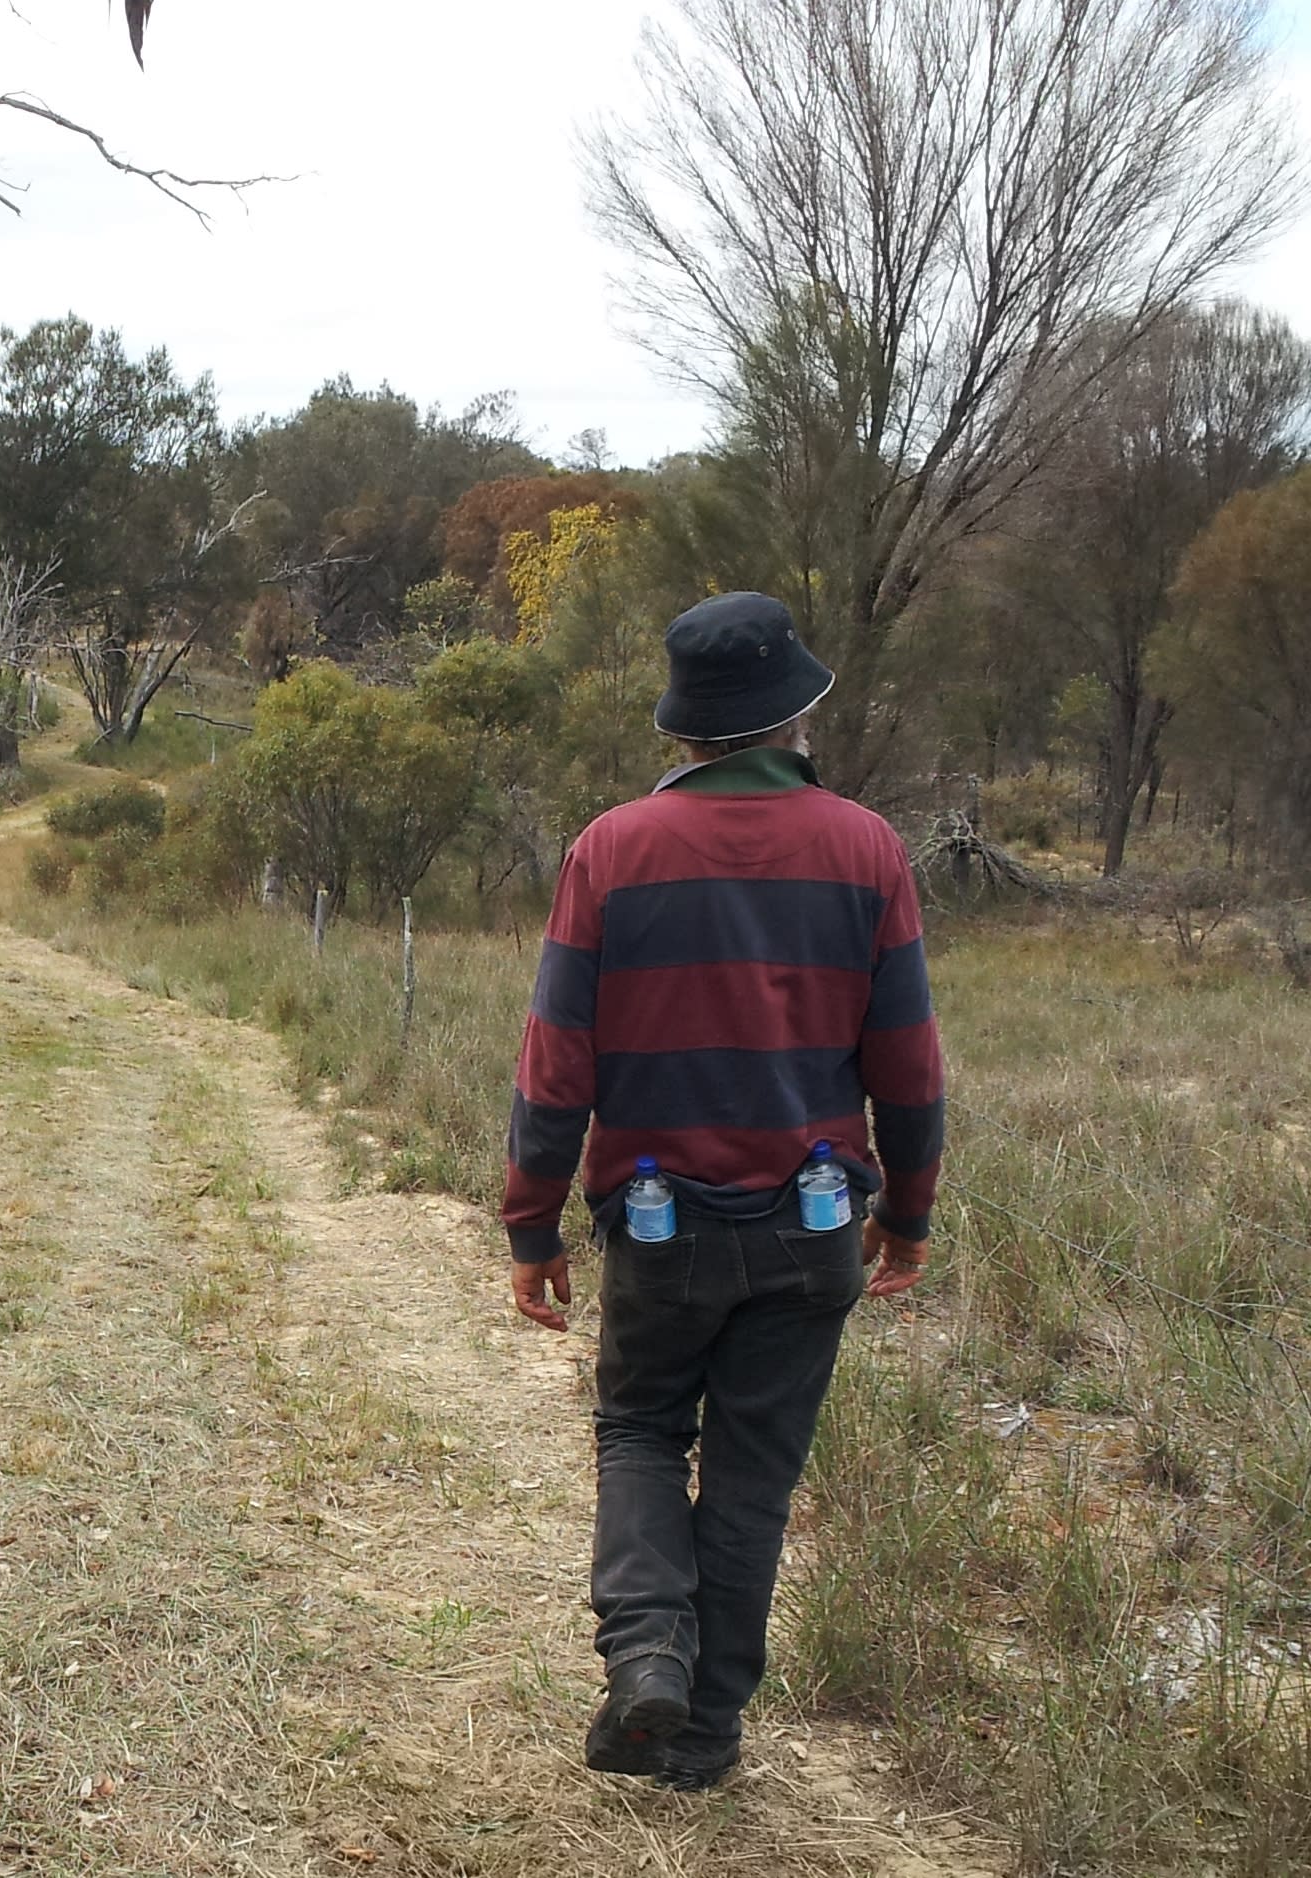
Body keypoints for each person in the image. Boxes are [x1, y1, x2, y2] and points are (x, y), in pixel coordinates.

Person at [501, 591, 944, 1791]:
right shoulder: (866, 849)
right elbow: (906, 1064)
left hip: (659, 1226)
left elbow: (557, 1062)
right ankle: (703, 1734)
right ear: (798, 710)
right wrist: (908, 1211)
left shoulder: (610, 851)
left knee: (643, 1429)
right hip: (812, 1229)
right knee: (754, 1476)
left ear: (686, 727)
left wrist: (530, 1221)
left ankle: (648, 1655)